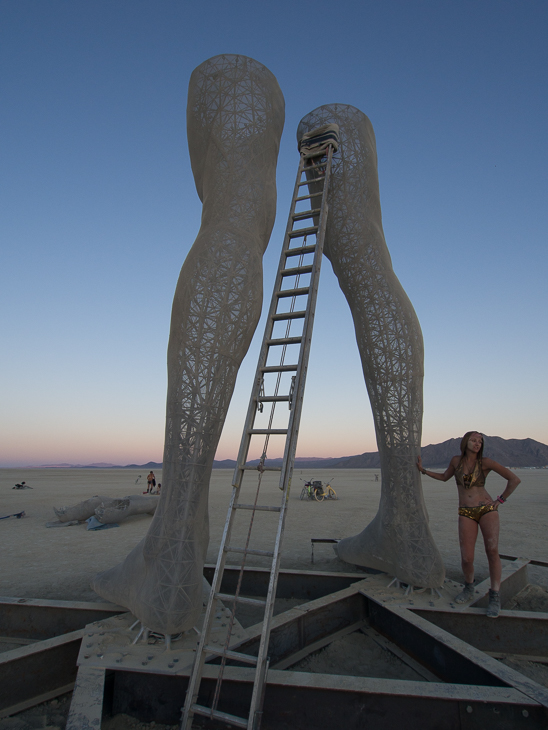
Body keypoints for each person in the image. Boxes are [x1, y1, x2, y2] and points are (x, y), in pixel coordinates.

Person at [417, 431, 520, 618]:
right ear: (465, 442)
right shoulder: (456, 461)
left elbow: (514, 479)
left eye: (480, 441)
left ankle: (494, 596)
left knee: (492, 551)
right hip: (465, 512)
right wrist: (423, 471)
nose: (477, 443)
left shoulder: (486, 462)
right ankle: (469, 588)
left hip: (487, 510)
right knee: (467, 557)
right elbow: (444, 477)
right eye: (473, 440)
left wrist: (500, 500)